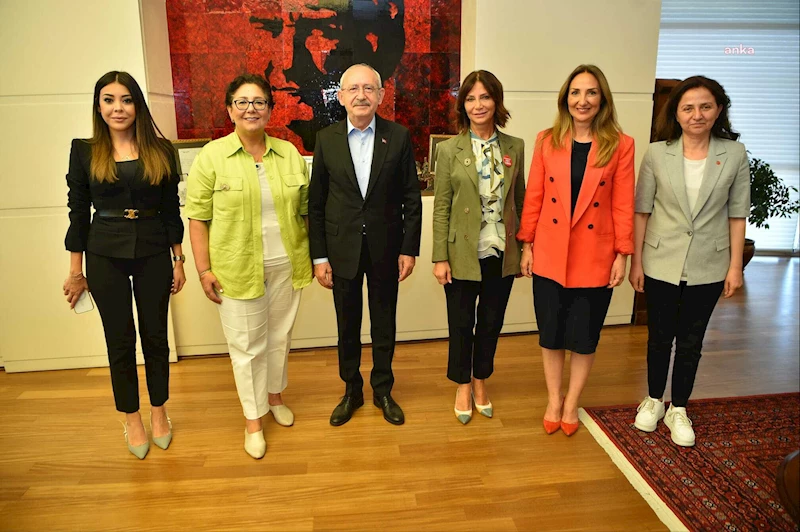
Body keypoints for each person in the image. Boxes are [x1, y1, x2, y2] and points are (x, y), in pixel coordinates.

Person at [184, 74, 312, 459]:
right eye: (242, 102)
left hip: (287, 264)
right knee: (246, 347)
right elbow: (197, 217)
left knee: (279, 337)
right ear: (230, 110)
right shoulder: (212, 156)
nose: (251, 109)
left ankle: (274, 397)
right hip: (236, 269)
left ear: (270, 109)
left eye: (259, 102)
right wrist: (204, 270)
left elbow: (306, 211)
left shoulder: (289, 153)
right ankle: (253, 420)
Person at [63, 71, 185, 459]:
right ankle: (132, 418)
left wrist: (179, 260)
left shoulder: (162, 149)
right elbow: (78, 212)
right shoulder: (84, 150)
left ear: (137, 105)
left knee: (156, 337)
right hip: (104, 253)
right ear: (98, 106)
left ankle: (159, 410)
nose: (118, 108)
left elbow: (170, 209)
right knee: (120, 340)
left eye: (126, 99)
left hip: (153, 250)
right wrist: (76, 271)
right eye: (109, 100)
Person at [630, 76, 750, 447]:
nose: (697, 114)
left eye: (705, 106)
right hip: (660, 259)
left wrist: (734, 267)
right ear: (677, 113)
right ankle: (653, 400)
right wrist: (636, 262)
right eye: (688, 108)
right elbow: (642, 210)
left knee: (691, 341)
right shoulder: (656, 153)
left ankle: (678, 408)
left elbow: (737, 214)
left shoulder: (734, 154)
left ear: (718, 110)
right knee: (659, 337)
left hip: (709, 263)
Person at [517, 64, 635, 436]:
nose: (582, 100)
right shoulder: (546, 139)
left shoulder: (621, 145)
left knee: (584, 338)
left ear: (602, 100)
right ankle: (554, 399)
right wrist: (527, 245)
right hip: (550, 252)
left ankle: (572, 402)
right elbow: (534, 196)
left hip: (595, 255)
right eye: (575, 92)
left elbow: (622, 204)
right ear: (565, 99)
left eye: (591, 92)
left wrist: (622, 254)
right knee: (551, 334)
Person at [308, 63, 422, 426]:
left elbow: (411, 198)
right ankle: (351, 390)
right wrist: (319, 256)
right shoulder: (326, 139)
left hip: (386, 249)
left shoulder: (398, 137)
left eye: (369, 88)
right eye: (353, 89)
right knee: (347, 326)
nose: (361, 95)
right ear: (341, 96)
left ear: (381, 96)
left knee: (384, 323)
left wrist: (409, 248)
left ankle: (383, 390)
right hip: (341, 250)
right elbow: (316, 203)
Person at [431, 70, 526, 424]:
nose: (478, 105)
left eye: (485, 97)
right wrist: (439, 257)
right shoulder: (448, 150)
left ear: (496, 101)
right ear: (463, 105)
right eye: (470, 98)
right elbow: (441, 206)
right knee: (460, 324)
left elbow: (520, 199)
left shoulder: (515, 146)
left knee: (490, 323)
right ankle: (462, 384)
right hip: (460, 253)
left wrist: (526, 248)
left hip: (502, 252)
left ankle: (480, 380)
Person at [250, 0, 406, 152]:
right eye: (272, 30)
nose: (285, 65)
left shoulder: (396, 138)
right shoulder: (319, 140)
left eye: (320, 32)